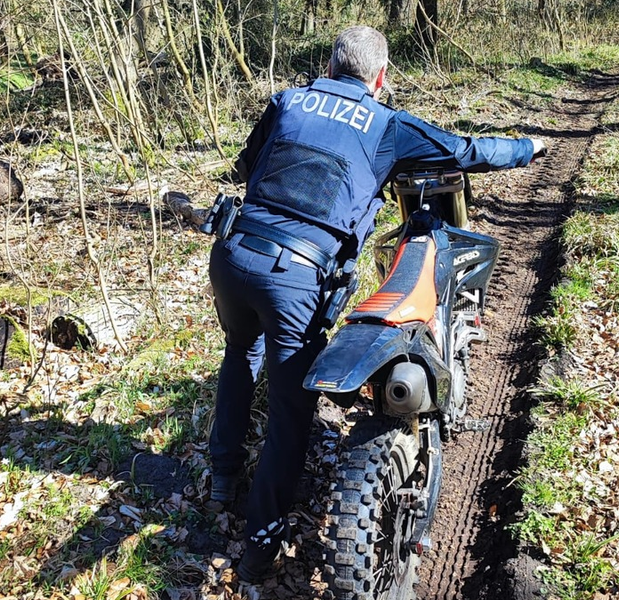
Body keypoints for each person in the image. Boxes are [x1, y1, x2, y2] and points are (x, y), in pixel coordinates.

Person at [206, 24, 545, 582]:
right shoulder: (385, 124)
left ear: (331, 64)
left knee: (240, 351)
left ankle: (222, 480)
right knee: (292, 411)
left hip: (233, 254)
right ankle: (260, 546)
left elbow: (247, 168)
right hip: (292, 276)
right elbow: (465, 152)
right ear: (380, 77)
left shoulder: (287, 100)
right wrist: (527, 148)